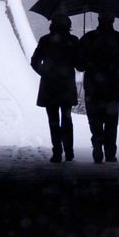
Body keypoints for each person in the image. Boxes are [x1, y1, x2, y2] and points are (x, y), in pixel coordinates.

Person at [76, 11, 119, 163]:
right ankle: (110, 153)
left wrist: (84, 59)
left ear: (98, 19)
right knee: (111, 119)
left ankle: (97, 141)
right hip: (112, 85)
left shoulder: (88, 38)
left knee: (94, 117)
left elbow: (80, 66)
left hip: (92, 86)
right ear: (113, 19)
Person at [31, 13, 79, 163]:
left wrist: (44, 72)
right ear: (68, 25)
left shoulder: (45, 40)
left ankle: (57, 152)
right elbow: (80, 65)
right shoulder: (73, 41)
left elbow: (34, 61)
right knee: (67, 119)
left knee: (53, 120)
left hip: (49, 86)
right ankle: (69, 151)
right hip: (67, 85)